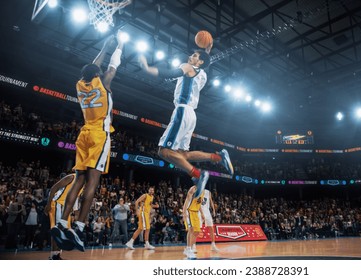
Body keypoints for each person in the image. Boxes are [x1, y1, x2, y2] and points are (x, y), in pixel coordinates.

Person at [51, 32, 125, 252]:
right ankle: (80, 228)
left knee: (78, 180)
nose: (102, 71)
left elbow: (93, 66)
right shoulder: (103, 82)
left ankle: (63, 223)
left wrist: (104, 46)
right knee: (93, 182)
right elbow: (112, 66)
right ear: (97, 75)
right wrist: (119, 45)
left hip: (83, 134)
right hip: (99, 135)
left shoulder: (80, 84)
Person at [138, 46, 233, 199]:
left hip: (182, 111)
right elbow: (203, 62)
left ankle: (198, 175)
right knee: (183, 155)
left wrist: (147, 68)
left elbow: (170, 74)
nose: (190, 56)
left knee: (163, 151)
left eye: (194, 55)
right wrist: (206, 52)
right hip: (191, 114)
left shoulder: (187, 67)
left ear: (199, 61)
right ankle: (218, 157)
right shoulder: (203, 74)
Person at [45, 173, 83, 259]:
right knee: (57, 230)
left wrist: (76, 212)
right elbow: (53, 188)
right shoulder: (71, 177)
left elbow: (75, 197)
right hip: (57, 204)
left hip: (66, 209)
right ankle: (53, 256)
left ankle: (57, 254)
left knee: (62, 232)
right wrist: (48, 204)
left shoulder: (84, 184)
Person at [182, 185, 205, 259]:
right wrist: (184, 212)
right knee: (191, 229)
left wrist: (202, 213)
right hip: (189, 211)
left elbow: (199, 203)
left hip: (196, 213)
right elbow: (187, 200)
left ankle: (190, 248)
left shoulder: (203, 191)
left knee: (197, 231)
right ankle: (188, 249)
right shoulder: (194, 189)